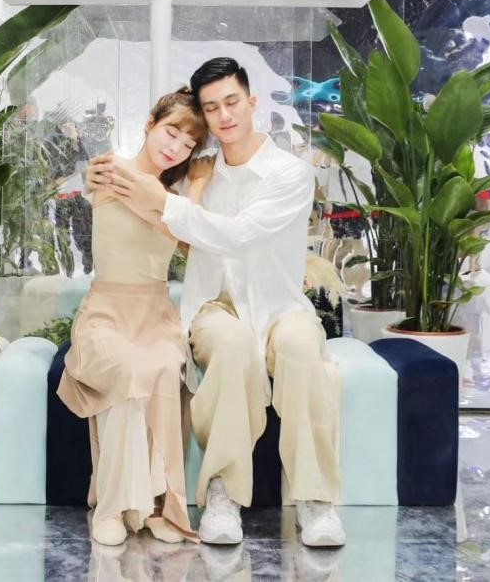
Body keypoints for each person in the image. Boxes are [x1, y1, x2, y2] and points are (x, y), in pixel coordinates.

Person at [89, 57, 345, 548]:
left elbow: (238, 234)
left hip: (279, 304)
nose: (224, 115)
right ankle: (223, 495)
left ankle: (316, 501)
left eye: (232, 102)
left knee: (300, 347)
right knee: (230, 345)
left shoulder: (289, 174)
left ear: (251, 102)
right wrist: (104, 172)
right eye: (211, 108)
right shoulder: (198, 175)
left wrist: (163, 202)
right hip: (214, 305)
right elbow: (146, 192)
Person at [57, 88, 209, 547]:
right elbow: (174, 223)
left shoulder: (173, 199)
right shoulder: (112, 172)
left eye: (188, 144)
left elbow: (197, 246)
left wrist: (188, 196)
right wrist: (190, 195)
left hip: (157, 317)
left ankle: (158, 507)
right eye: (171, 132)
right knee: (127, 371)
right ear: (149, 124)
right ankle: (113, 506)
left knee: (163, 369)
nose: (176, 147)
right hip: (106, 314)